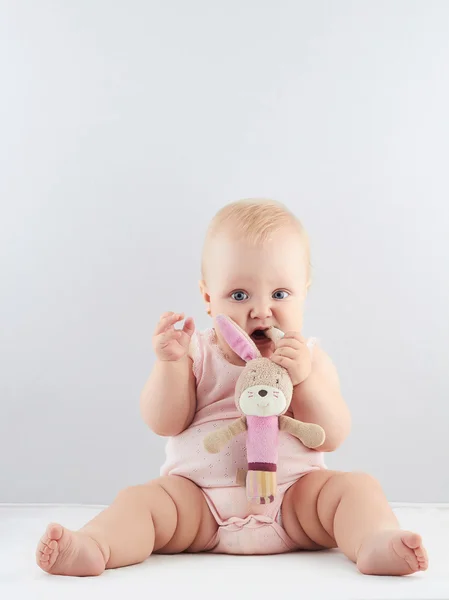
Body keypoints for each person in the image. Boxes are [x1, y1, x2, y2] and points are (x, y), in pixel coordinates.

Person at [36, 199, 428, 576]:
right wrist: (170, 365)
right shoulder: (197, 353)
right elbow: (164, 422)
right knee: (142, 501)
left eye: (280, 294)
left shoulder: (309, 358)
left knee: (355, 488)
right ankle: (96, 546)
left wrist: (304, 379)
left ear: (304, 292)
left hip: (295, 502)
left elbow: (332, 436)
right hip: (198, 505)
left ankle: (374, 541)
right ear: (208, 298)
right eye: (239, 295)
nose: (261, 310)